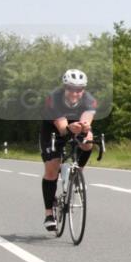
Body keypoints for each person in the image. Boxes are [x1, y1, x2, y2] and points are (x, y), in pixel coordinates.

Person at [40, 69, 97, 232]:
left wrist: (85, 129)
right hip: (53, 130)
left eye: (79, 89)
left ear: (83, 90)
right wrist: (70, 128)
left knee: (88, 141)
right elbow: (63, 129)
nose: (75, 93)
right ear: (65, 87)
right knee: (52, 170)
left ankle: (79, 172)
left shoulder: (90, 101)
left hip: (75, 126)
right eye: (71, 88)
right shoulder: (54, 100)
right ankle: (49, 214)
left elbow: (86, 121)